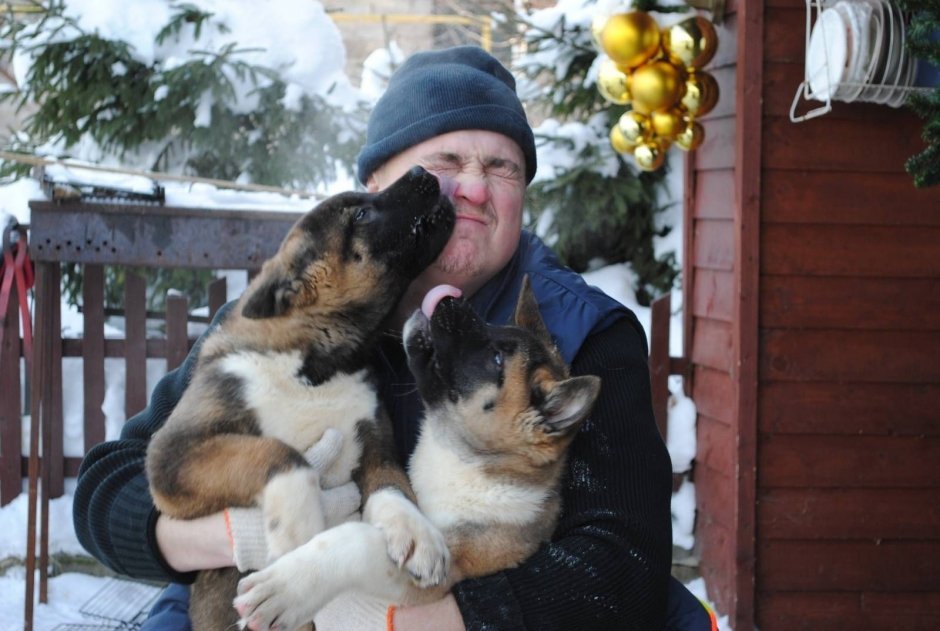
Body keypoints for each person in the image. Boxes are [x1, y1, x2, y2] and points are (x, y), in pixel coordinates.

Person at [74, 45, 713, 630]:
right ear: (380, 184)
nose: (474, 189)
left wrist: (407, 622)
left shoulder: (579, 335)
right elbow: (112, 488)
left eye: (502, 168)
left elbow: (623, 563)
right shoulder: (297, 312)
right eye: (446, 162)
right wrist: (236, 536)